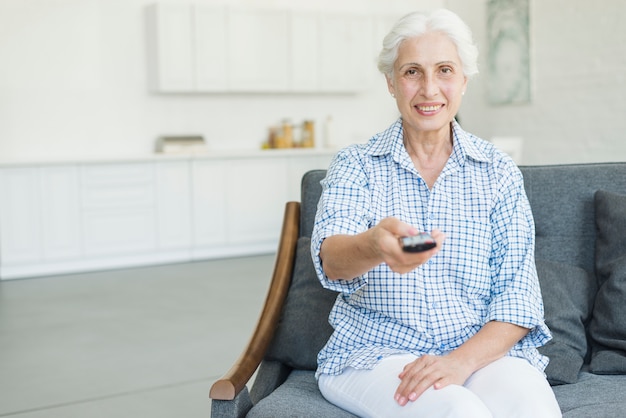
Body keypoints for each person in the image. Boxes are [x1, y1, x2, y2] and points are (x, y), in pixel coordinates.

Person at [310, 9, 562, 418]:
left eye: (444, 70)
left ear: (464, 79)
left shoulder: (497, 172)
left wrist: (459, 362)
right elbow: (331, 261)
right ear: (391, 83)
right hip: (374, 353)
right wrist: (374, 245)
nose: (429, 89)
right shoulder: (356, 165)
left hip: (475, 352)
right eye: (412, 72)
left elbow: (518, 300)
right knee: (459, 412)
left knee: (534, 409)